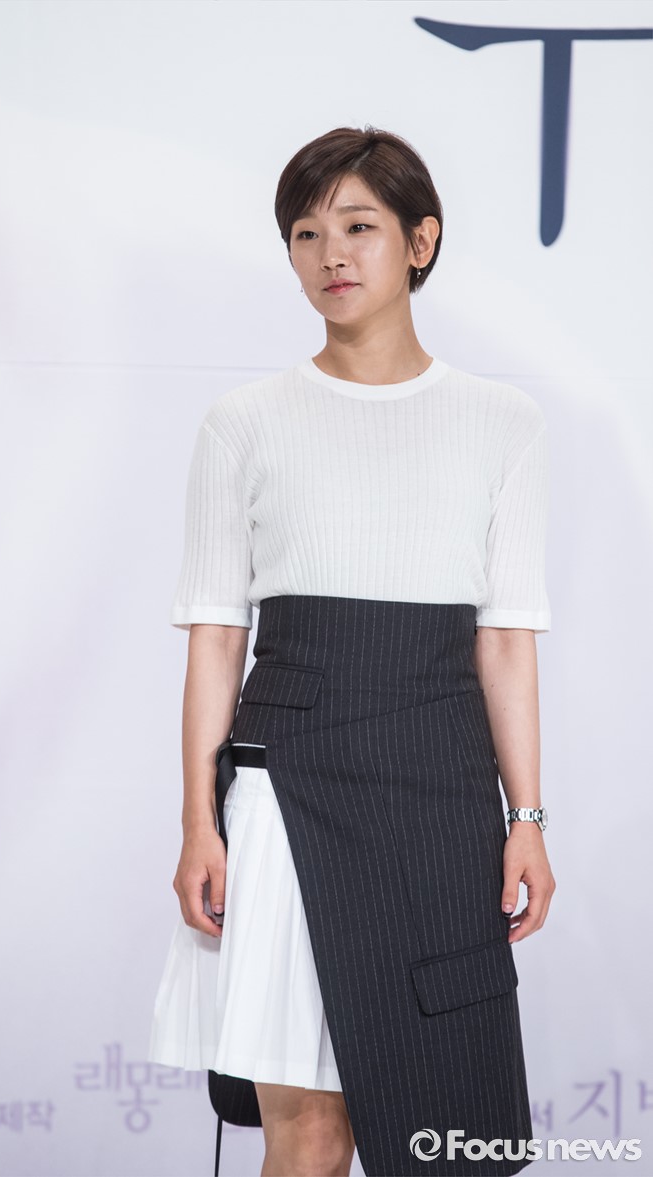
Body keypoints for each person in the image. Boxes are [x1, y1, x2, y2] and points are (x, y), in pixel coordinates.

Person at [148, 125, 556, 1177]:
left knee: (448, 1141)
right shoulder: (243, 421)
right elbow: (216, 638)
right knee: (309, 1128)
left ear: (420, 241)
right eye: (304, 232)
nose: (330, 253)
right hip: (287, 796)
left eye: (359, 226)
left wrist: (526, 820)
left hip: (438, 793)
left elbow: (505, 641)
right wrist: (198, 821)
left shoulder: (501, 421)